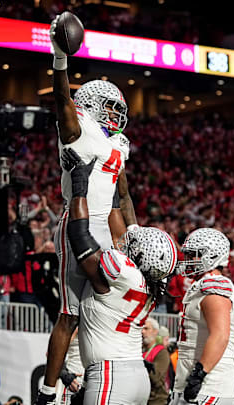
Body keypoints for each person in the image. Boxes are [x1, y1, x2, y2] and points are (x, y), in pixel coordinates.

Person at [37, 13, 138, 404]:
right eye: (111, 107)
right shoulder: (77, 125)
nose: (117, 114)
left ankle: (86, 376)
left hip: (105, 231)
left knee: (104, 308)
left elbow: (123, 196)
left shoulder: (118, 144)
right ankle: (47, 390)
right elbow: (61, 97)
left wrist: (135, 235)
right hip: (76, 222)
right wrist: (60, 58)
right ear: (92, 105)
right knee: (70, 312)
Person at [35, 149, 177, 405]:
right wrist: (110, 175)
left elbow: (79, 238)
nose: (132, 241)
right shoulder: (151, 283)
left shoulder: (122, 273)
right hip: (136, 376)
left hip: (111, 376)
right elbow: (122, 215)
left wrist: (80, 185)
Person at [171, 228, 234, 405]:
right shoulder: (202, 284)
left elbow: (220, 335)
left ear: (211, 256)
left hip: (209, 387)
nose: (188, 260)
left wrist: (199, 376)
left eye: (193, 255)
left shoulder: (214, 285)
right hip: (198, 386)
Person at [142, 318, 170, 405]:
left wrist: (142, 366)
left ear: (155, 331)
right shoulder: (139, 350)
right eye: (142, 329)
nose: (142, 332)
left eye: (146, 329)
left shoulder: (161, 352)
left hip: (156, 400)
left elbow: (156, 377)